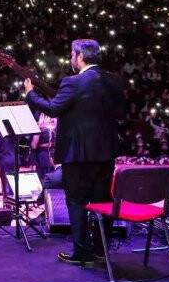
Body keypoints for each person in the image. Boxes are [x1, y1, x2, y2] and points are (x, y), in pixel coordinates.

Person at [24, 38, 125, 266]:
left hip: (78, 154)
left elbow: (53, 108)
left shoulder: (74, 82)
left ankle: (81, 253)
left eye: (72, 54)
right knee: (103, 201)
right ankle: (101, 250)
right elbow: (120, 113)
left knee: (76, 201)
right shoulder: (114, 81)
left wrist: (31, 94)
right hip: (106, 152)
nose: (71, 59)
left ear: (80, 56)